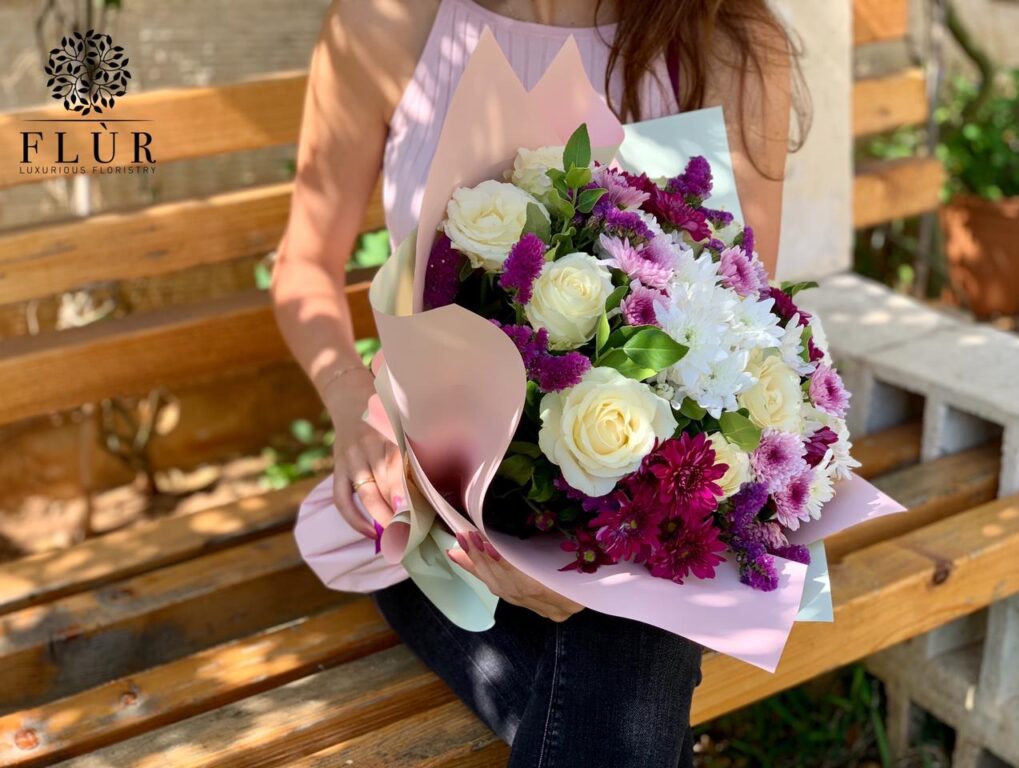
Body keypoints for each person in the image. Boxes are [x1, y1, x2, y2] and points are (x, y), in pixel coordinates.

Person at [272, 1, 807, 765]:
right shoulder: (386, 21)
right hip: (433, 495)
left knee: (623, 638)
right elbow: (305, 266)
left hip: (635, 497)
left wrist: (596, 578)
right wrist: (352, 406)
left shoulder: (724, 39)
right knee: (622, 683)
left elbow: (742, 308)